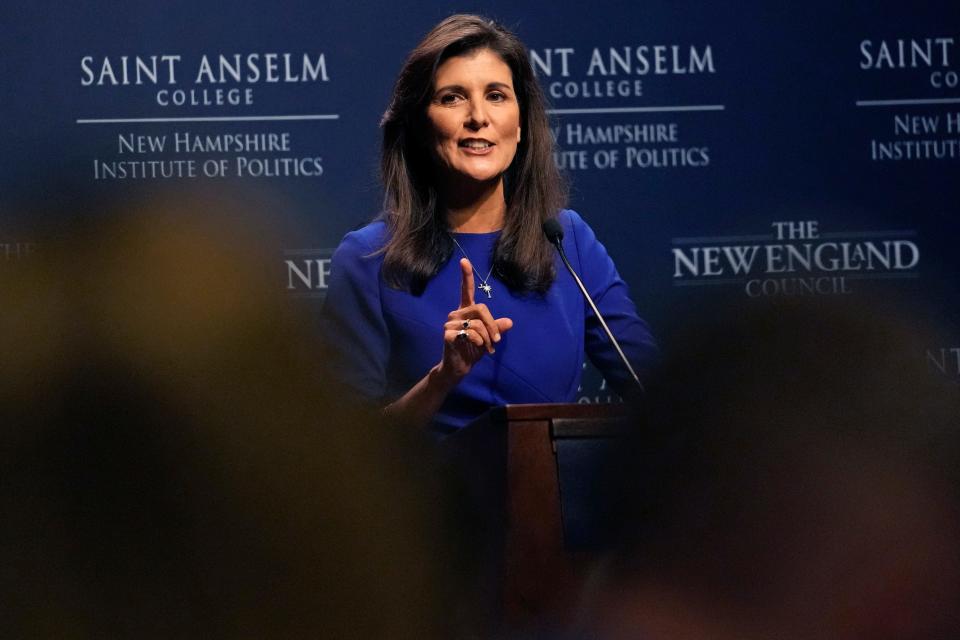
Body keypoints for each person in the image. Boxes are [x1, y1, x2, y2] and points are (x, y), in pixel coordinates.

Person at [323, 14, 658, 433]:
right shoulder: (366, 260)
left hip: (556, 494)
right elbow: (347, 447)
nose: (478, 116)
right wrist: (441, 379)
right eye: (452, 98)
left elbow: (654, 389)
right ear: (421, 125)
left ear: (520, 126)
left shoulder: (567, 240)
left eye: (497, 95)